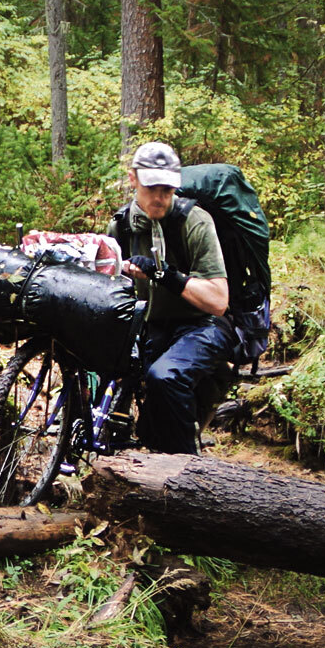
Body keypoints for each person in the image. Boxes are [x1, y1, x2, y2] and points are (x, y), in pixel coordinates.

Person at [112, 141, 231, 455]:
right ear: (133, 179)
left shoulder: (194, 221)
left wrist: (165, 275)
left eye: (167, 189)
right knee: (151, 428)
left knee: (165, 376)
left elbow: (219, 301)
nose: (160, 197)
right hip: (151, 326)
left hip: (203, 325)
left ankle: (187, 475)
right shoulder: (121, 226)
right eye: (152, 188)